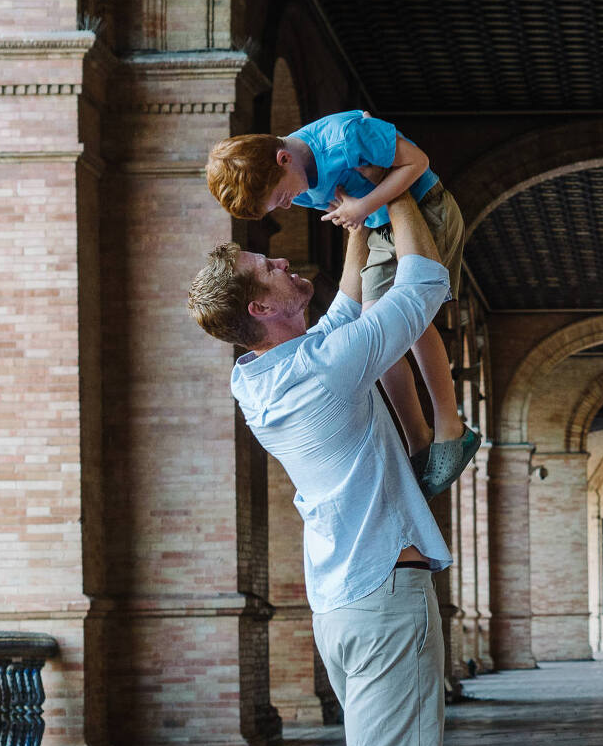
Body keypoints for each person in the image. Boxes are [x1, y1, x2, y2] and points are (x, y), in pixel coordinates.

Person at [187, 194, 449, 746]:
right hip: (379, 596)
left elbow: (341, 309)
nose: (281, 258)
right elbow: (423, 286)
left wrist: (358, 231)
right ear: (262, 308)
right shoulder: (321, 371)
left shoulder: (263, 371)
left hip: (354, 596)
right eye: (267, 267)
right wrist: (398, 196)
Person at [205, 109, 479, 497]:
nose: (287, 206)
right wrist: (362, 214)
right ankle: (418, 439)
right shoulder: (294, 177)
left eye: (282, 197)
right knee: (384, 330)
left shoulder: (344, 138)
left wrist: (364, 208)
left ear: (283, 159)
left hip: (426, 210)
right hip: (382, 226)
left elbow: (417, 163)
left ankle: (448, 427)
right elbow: (350, 207)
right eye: (278, 205)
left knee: (414, 321)